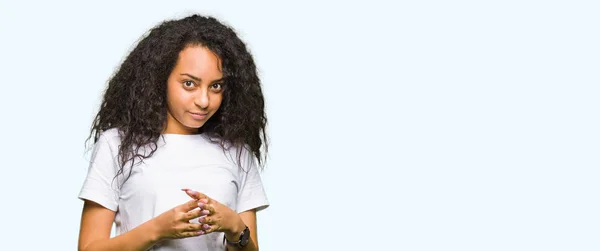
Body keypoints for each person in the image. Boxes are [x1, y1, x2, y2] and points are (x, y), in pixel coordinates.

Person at [77, 14, 269, 251]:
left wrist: (234, 226)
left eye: (216, 86)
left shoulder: (236, 151)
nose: (204, 100)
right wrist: (158, 229)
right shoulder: (117, 144)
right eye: (189, 83)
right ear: (160, 79)